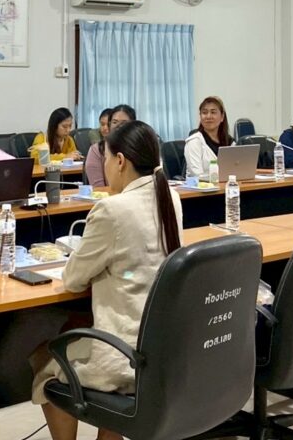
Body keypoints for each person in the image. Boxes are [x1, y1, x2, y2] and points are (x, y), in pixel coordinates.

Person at [32, 120, 183, 440]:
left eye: (106, 159)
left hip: (123, 357)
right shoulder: (171, 197)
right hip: (162, 350)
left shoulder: (112, 209)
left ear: (120, 161)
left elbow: (73, 279)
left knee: (43, 360)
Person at [84, 104, 137, 188]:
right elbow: (99, 189)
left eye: (124, 123)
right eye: (114, 122)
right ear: (109, 125)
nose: (118, 126)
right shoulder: (97, 150)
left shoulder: (138, 148)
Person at [185, 96, 233, 178]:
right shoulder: (194, 142)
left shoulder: (230, 142)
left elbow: (236, 170)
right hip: (201, 185)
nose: (208, 116)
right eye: (204, 113)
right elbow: (196, 175)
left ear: (222, 117)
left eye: (213, 112)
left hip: (228, 184)